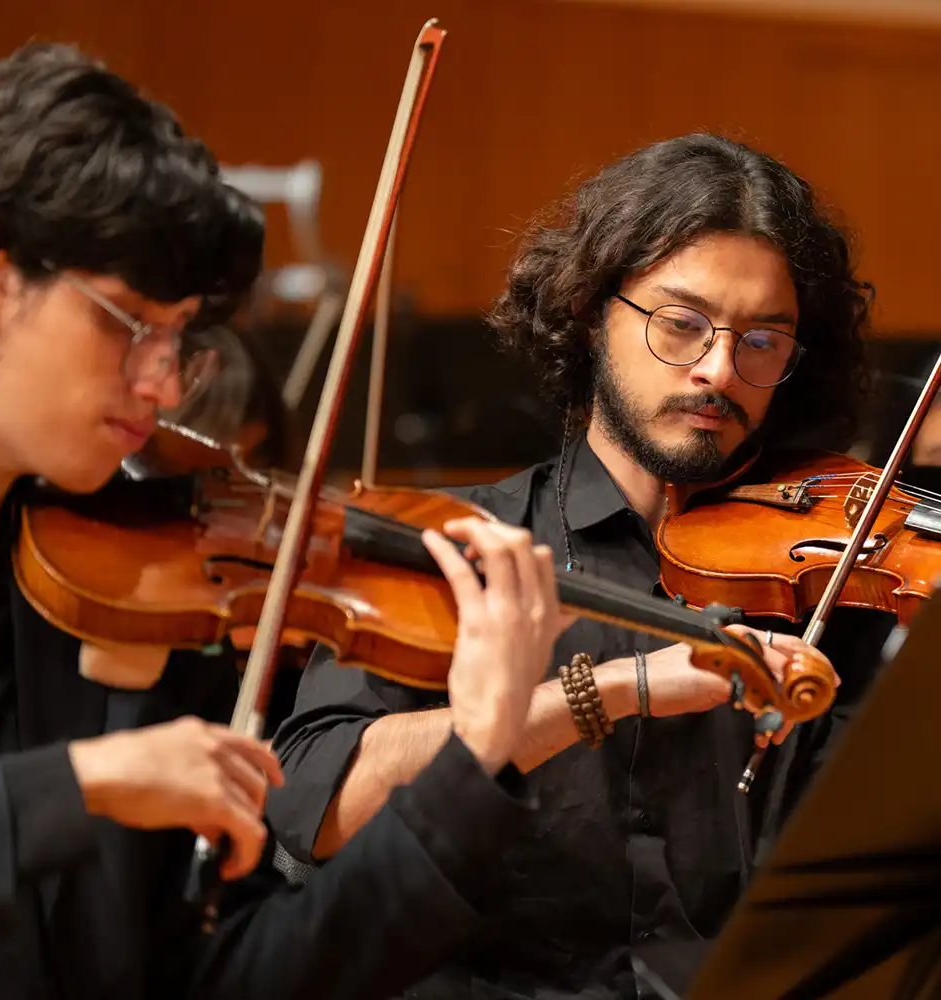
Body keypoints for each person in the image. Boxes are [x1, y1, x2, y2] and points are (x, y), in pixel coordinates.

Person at [0, 41, 586, 1000]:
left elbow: (229, 977)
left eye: (180, 335)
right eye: (127, 322)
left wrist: (473, 757)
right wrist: (78, 785)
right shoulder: (112, 719)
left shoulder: (128, 585)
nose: (162, 384)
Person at [267, 134, 893, 999]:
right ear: (594, 311)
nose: (719, 369)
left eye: (762, 340)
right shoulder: (459, 543)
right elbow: (315, 810)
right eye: (681, 324)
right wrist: (603, 693)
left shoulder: (832, 574)